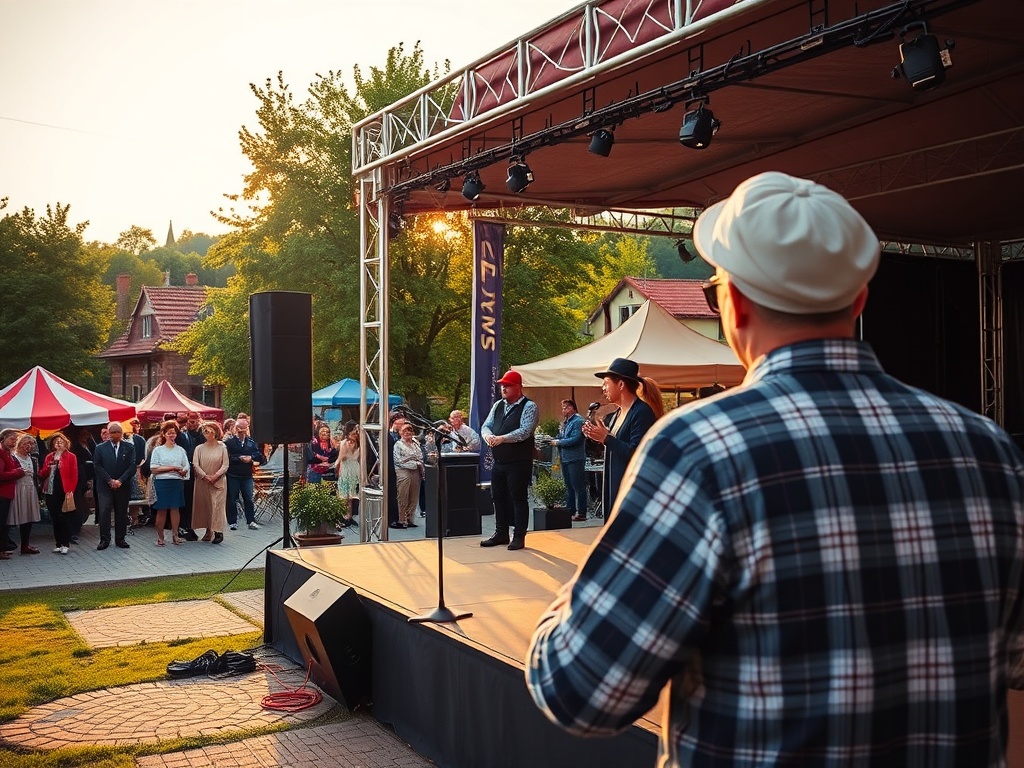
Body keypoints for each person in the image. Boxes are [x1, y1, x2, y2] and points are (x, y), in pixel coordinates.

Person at [526, 171, 1024, 767]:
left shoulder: (699, 449)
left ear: (732, 301)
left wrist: (587, 586)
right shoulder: (989, 450)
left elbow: (581, 690)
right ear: (860, 299)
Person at [581, 358, 658, 517]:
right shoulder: (617, 413)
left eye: (606, 383)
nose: (603, 388)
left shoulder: (641, 413)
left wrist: (606, 439)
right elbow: (616, 445)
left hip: (631, 495)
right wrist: (599, 437)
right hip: (615, 489)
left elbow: (636, 453)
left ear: (621, 385)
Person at [480, 370, 538, 551]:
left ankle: (519, 535)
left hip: (518, 461)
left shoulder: (529, 406)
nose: (503, 388)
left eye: (508, 385)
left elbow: (525, 431)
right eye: (502, 386)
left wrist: (502, 438)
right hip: (500, 461)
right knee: (498, 496)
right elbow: (486, 425)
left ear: (518, 388)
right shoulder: (498, 405)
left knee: (518, 498)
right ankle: (501, 533)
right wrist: (488, 436)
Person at [92, 421, 136, 550]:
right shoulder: (100, 448)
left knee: (121, 512)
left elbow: (132, 466)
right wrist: (110, 480)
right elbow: (97, 465)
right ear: (108, 433)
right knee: (104, 512)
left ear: (122, 433)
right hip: (105, 486)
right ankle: (104, 539)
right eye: (112, 432)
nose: (115, 434)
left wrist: (120, 481)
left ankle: (120, 539)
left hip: (122, 485)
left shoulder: (129, 447)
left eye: (118, 432)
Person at [148, 420, 190, 546]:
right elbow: (154, 468)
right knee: (162, 509)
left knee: (175, 509)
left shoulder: (181, 450)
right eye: (169, 433)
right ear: (164, 434)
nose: (172, 435)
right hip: (162, 482)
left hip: (176, 482)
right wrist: (172, 468)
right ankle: (160, 537)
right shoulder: (158, 450)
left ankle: (175, 535)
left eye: (174, 433)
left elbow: (186, 465)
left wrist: (183, 471)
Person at [39, 432, 79, 554]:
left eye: (61, 442)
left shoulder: (71, 456)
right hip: (51, 490)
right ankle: (58, 543)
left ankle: (65, 543)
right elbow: (42, 474)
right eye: (56, 442)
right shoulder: (49, 457)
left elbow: (74, 474)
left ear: (66, 443)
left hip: (64, 489)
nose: (59, 444)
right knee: (55, 518)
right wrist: (49, 467)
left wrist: (70, 490)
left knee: (64, 517)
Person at [223, 418, 265, 531]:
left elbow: (260, 457)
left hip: (247, 475)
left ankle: (250, 520)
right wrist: (239, 458)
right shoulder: (229, 442)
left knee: (249, 498)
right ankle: (232, 522)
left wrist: (251, 458)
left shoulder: (251, 442)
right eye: (239, 429)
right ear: (235, 428)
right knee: (232, 499)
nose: (241, 431)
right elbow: (226, 458)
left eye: (244, 429)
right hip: (233, 475)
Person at [191, 421, 229, 544]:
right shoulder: (199, 448)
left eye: (208, 431)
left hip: (218, 482)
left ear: (215, 431)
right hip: (203, 482)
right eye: (204, 431)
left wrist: (215, 476)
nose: (206, 434)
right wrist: (204, 476)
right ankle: (208, 530)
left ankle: (218, 532)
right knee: (206, 506)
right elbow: (195, 464)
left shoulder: (222, 447)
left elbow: (225, 464)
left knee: (217, 506)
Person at [550, 399, 587, 522]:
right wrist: (552, 438)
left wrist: (558, 442)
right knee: (568, 486)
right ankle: (570, 511)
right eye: (563, 408)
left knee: (578, 486)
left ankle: (581, 513)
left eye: (566, 407)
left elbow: (575, 439)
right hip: (565, 458)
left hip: (575, 458)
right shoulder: (566, 422)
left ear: (572, 408)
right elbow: (563, 437)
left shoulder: (578, 421)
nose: (563, 410)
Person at [8, 433, 41, 554]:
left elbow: (36, 474)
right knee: (13, 516)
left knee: (28, 517)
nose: (29, 446)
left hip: (30, 488)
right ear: (19, 444)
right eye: (26, 443)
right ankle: (5, 544)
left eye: (31, 443)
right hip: (18, 488)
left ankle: (25, 544)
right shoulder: (13, 457)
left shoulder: (32, 458)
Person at [0, 429, 28, 560]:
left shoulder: (8, 453)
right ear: (3, 438)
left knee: (5, 522)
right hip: (2, 492)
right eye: (12, 439)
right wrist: (18, 472)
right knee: (1, 522)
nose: (14, 442)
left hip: (7, 492)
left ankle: (3, 548)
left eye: (15, 440)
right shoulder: (1, 453)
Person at [176, 412, 203, 541]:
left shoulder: (201, 435)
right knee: (185, 500)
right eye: (190, 421)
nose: (192, 423)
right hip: (186, 471)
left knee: (193, 501)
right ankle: (183, 526)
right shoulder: (183, 436)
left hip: (198, 472)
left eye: (195, 421)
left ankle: (190, 526)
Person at [393, 422, 423, 529]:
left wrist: (414, 461)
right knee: (403, 496)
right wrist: (414, 462)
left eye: (409, 430)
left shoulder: (415, 444)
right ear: (400, 432)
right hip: (403, 471)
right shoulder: (398, 444)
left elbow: (420, 457)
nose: (407, 433)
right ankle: (402, 519)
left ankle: (410, 518)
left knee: (414, 496)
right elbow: (398, 461)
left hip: (416, 472)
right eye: (404, 431)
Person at [69, 428, 94, 544]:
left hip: (86, 478)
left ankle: (77, 527)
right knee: (78, 505)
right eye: (84, 433)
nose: (87, 435)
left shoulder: (90, 443)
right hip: (78, 479)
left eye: (88, 433)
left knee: (82, 505)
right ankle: (74, 530)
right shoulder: (74, 447)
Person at [335, 421, 360, 528]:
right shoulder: (344, 443)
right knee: (343, 495)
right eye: (355, 431)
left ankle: (349, 516)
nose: (356, 433)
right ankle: (343, 516)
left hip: (355, 469)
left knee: (351, 495)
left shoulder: (359, 443)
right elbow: (341, 458)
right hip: (346, 469)